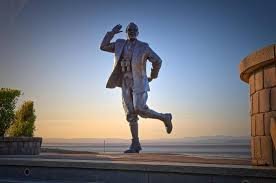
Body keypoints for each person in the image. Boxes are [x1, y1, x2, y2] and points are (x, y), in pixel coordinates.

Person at [100, 22, 172, 153]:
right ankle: (135, 144)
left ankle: (164, 117)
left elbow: (158, 61)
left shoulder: (144, 47)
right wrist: (111, 33)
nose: (132, 31)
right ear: (126, 32)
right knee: (130, 113)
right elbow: (103, 46)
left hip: (139, 81)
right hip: (125, 81)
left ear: (138, 32)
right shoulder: (119, 44)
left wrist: (152, 76)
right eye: (129, 30)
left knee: (140, 108)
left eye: (134, 30)